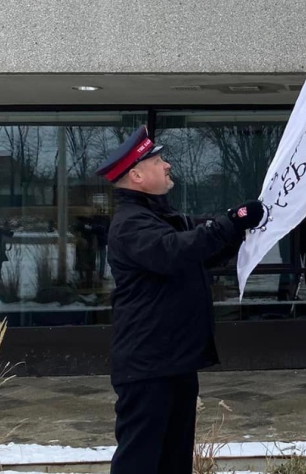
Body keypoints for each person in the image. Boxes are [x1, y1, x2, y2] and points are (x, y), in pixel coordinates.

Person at [94, 125, 265, 474]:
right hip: (147, 366)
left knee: (173, 461)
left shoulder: (162, 217)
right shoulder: (131, 224)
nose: (168, 165)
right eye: (158, 161)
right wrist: (228, 223)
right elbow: (174, 252)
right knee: (139, 462)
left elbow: (200, 252)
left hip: (173, 362)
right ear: (137, 175)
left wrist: (237, 229)